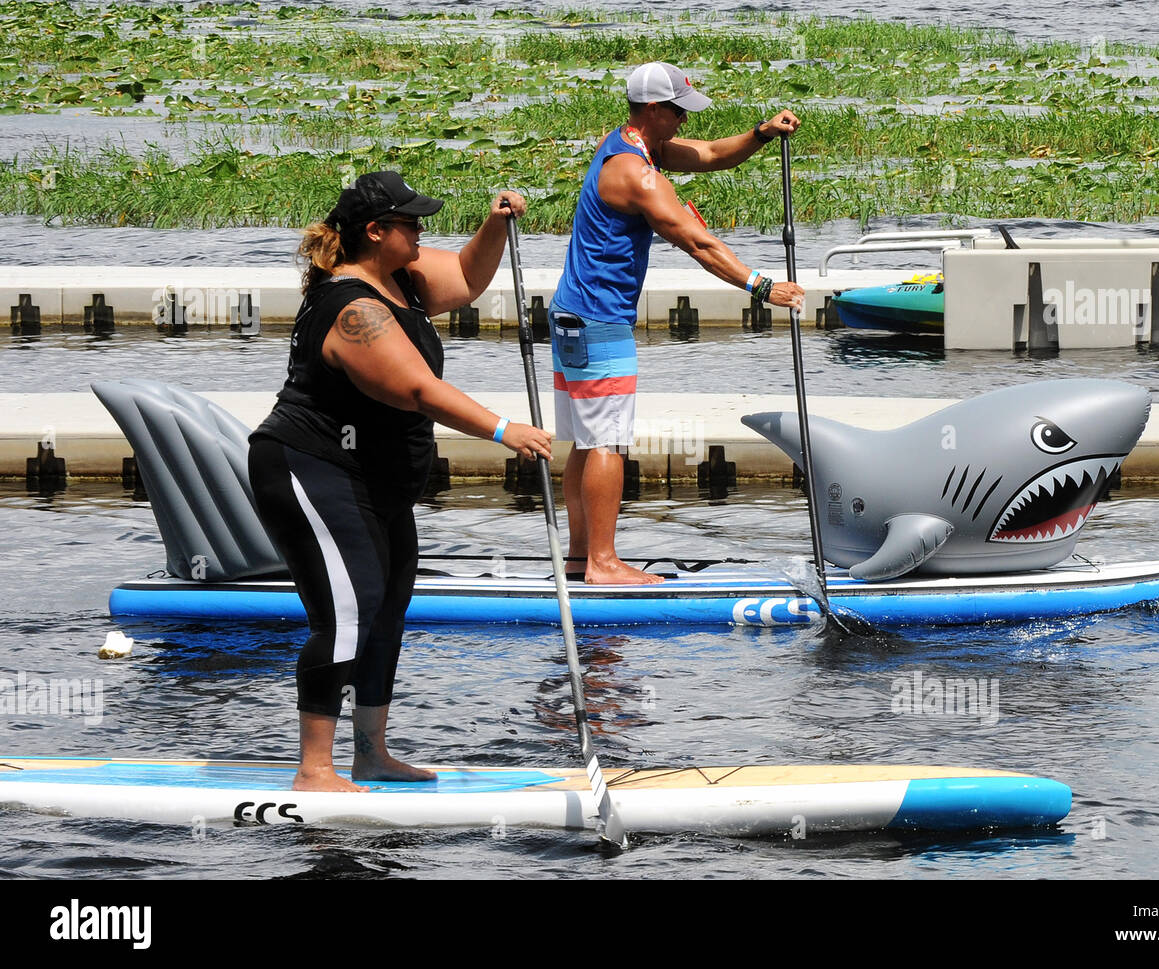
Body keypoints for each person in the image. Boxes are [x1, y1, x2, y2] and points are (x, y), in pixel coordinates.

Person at [248, 171, 553, 793]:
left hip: (374, 481)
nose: (421, 230)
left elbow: (467, 279)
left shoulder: (403, 279)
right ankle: (314, 771)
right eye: (410, 223)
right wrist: (502, 430)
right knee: (347, 615)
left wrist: (493, 224)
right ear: (375, 231)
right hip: (311, 469)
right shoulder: (355, 309)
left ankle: (371, 756)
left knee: (387, 614)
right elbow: (417, 389)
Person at [551, 61, 805, 585]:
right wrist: (763, 287)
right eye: (677, 111)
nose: (684, 121)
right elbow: (698, 243)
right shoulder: (639, 176)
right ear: (651, 110)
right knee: (608, 443)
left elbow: (710, 155)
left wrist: (760, 133)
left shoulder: (625, 143)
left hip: (572, 314)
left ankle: (580, 560)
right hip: (599, 320)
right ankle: (602, 565)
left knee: (586, 440)